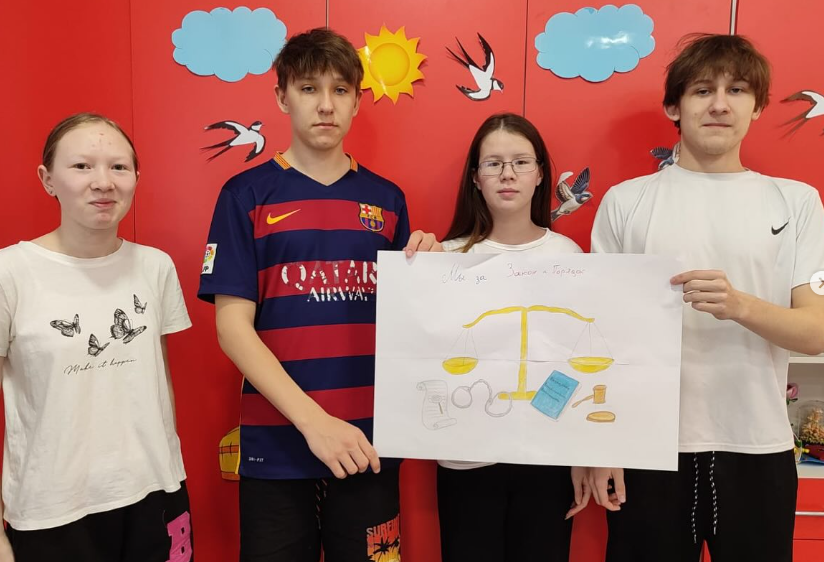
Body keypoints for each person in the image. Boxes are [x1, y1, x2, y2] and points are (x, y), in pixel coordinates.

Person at [197, 27, 435, 562]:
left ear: (356, 101)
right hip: (277, 449)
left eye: (340, 90)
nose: (326, 105)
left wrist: (433, 275)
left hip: (369, 445)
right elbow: (232, 329)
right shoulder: (244, 195)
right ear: (282, 97)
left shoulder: (387, 200)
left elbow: (408, 325)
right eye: (308, 89)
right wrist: (314, 423)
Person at [589, 33, 824, 562]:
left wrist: (740, 305)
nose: (720, 104)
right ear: (674, 106)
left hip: (757, 445)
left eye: (736, 90)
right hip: (648, 447)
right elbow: (602, 338)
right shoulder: (626, 202)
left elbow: (816, 332)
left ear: (757, 106)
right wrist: (602, 446)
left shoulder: (796, 202)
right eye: (702, 90)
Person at [0, 113, 193, 562]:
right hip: (52, 512)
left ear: (136, 178)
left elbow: (158, 382)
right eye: (82, 166)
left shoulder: (155, 267)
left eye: (119, 167)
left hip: (157, 494)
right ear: (48, 179)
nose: (103, 182)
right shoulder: (11, 272)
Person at [411, 112, 590, 562]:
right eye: (493, 164)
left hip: (546, 457)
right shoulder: (445, 257)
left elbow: (574, 359)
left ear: (540, 174)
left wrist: (571, 442)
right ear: (476, 177)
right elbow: (423, 355)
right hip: (466, 458)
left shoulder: (567, 255)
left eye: (521, 162)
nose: (507, 174)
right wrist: (414, 271)